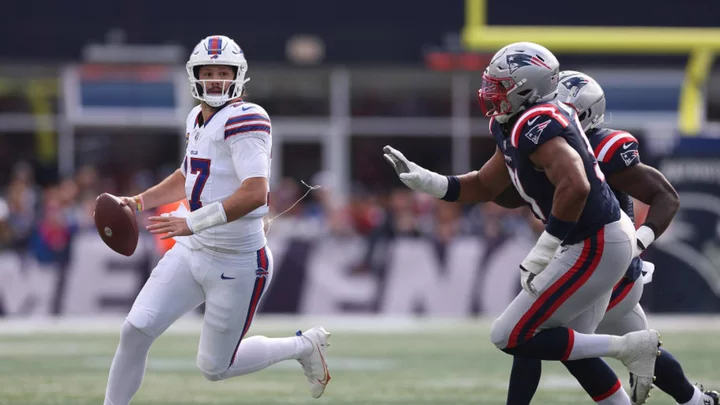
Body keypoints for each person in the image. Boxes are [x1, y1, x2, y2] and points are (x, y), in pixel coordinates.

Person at [384, 42, 659, 405]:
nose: (487, 93)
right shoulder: (515, 122)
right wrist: (427, 181)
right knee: (566, 343)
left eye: (498, 86)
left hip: (595, 239)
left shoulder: (535, 121)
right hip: (595, 237)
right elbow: (485, 184)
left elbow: (575, 184)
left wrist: (545, 248)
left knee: (510, 334)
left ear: (527, 89)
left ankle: (630, 346)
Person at [102, 35, 331, 405]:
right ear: (195, 76)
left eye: (222, 72)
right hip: (193, 250)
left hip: (238, 260)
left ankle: (304, 345)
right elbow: (187, 174)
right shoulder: (196, 117)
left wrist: (192, 222)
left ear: (237, 76)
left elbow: (256, 192)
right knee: (135, 329)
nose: (214, 80)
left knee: (214, 367)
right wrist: (141, 200)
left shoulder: (248, 119)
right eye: (207, 72)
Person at [496, 70, 719, 405]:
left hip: (605, 265)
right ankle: (696, 401)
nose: (549, 116)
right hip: (591, 259)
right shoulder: (546, 146)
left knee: (536, 330)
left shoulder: (602, 147)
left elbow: (666, 197)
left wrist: (638, 244)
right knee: (637, 346)